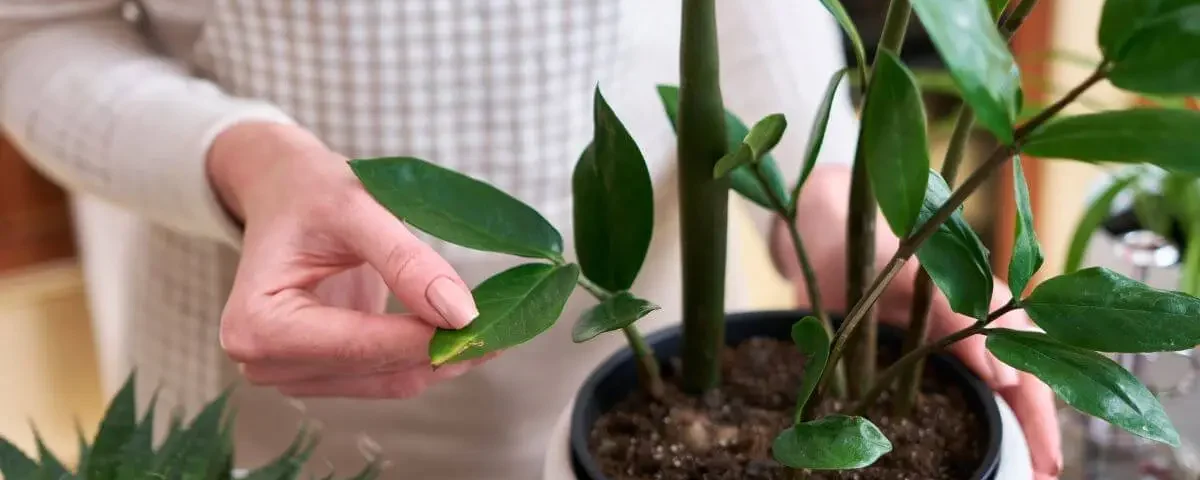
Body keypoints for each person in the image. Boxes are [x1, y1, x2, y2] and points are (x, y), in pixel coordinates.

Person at [0, 1, 1061, 478]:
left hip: (636, 364)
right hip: (263, 387)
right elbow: (35, 33)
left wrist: (826, 203)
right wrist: (242, 157)